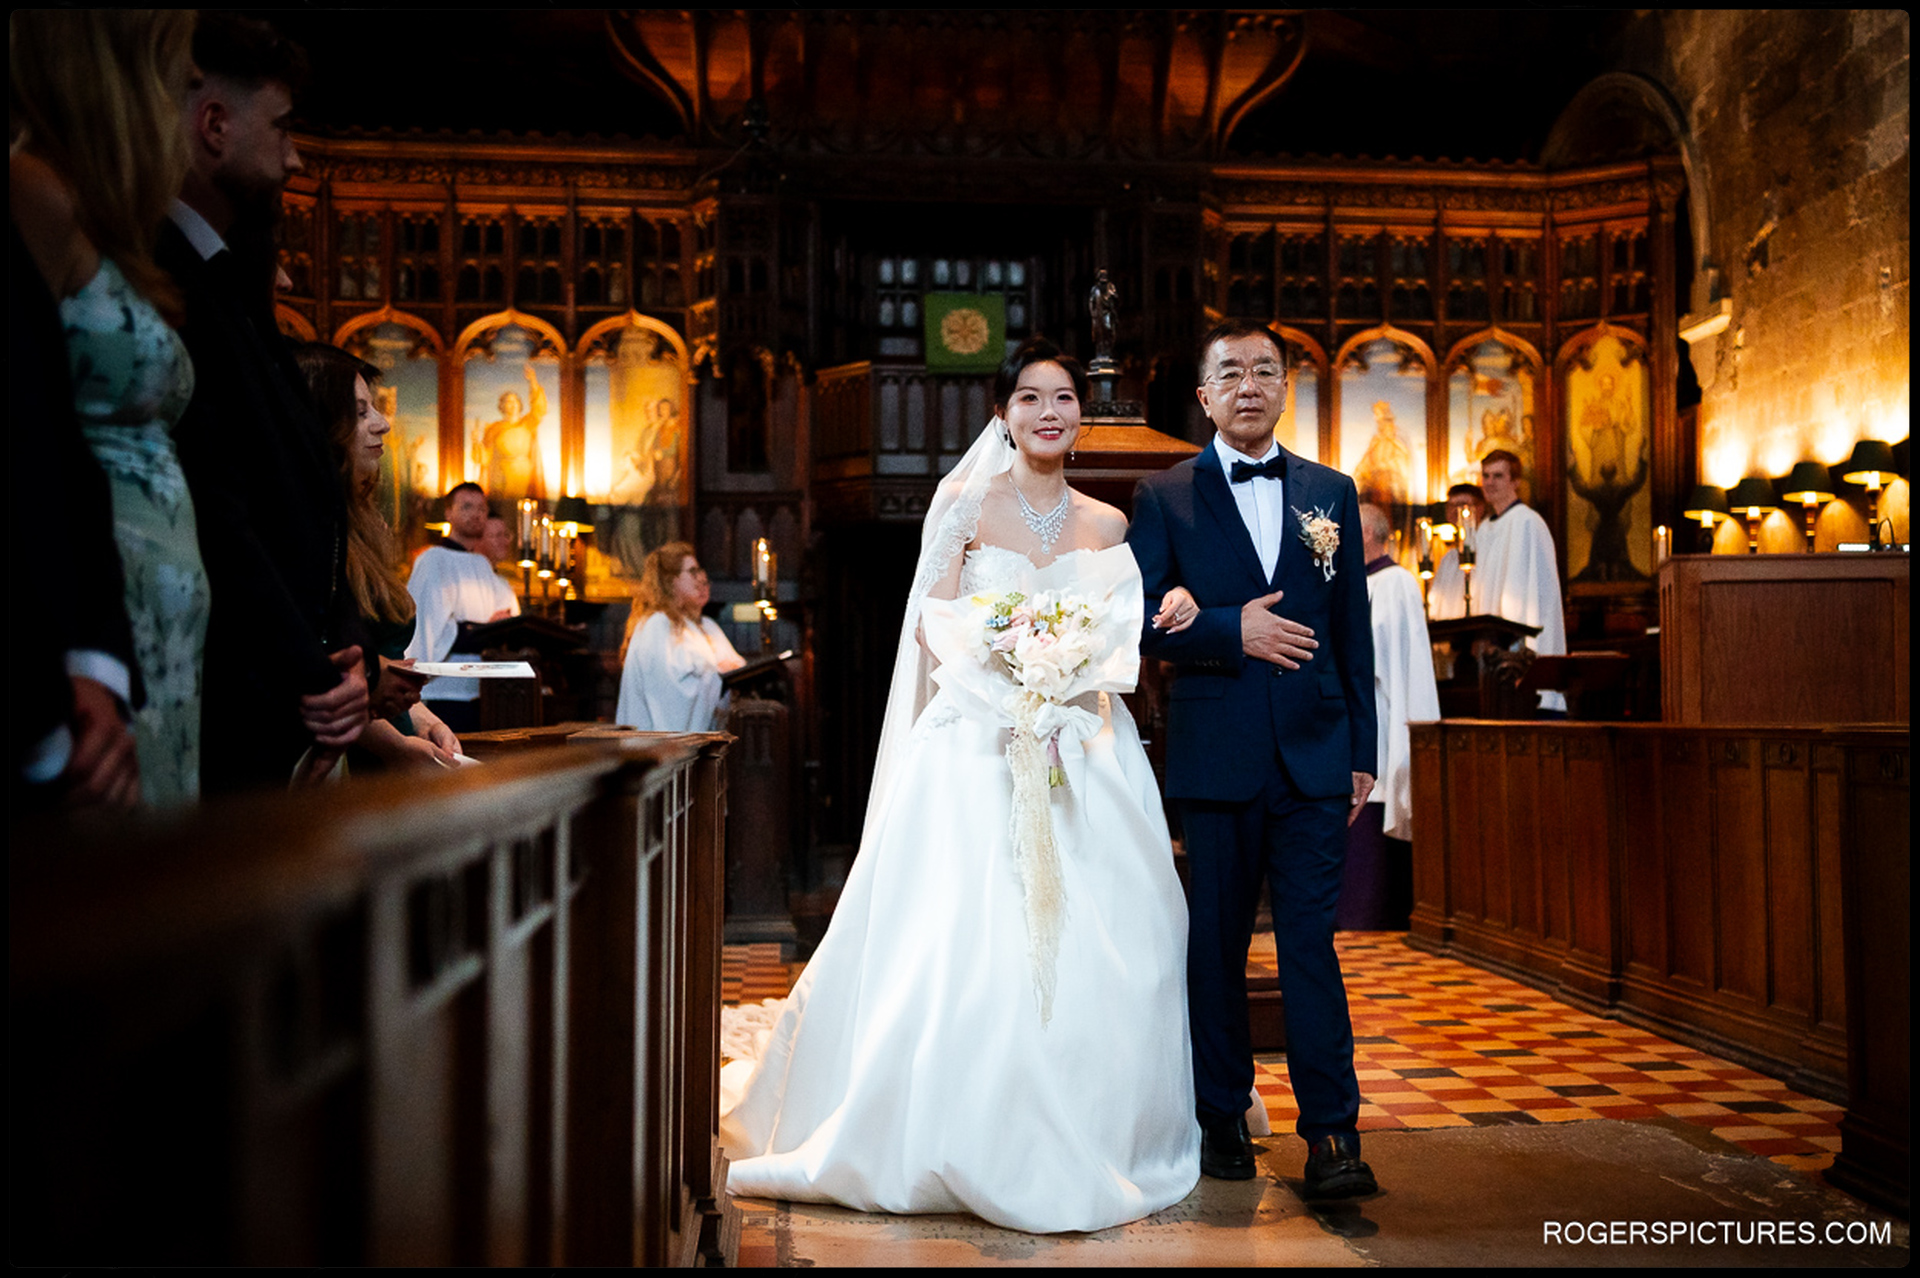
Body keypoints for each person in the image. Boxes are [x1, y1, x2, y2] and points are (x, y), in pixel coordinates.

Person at [721, 339, 1201, 1233]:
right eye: (1029, 398)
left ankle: (1102, 1121)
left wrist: (1107, 651)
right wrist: (990, 698)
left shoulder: (1110, 525)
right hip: (978, 742)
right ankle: (959, 1122)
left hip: (1084, 745)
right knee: (972, 938)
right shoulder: (965, 505)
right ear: (1003, 415)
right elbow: (932, 629)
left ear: (1079, 417)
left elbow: (1118, 639)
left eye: (1062, 398)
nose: (1048, 412)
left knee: (1115, 933)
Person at [1127, 319, 1380, 1200]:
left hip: (1316, 754)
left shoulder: (1330, 492)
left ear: (1284, 390)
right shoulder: (1163, 496)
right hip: (1217, 752)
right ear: (1203, 395)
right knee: (1217, 949)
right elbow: (1141, 622)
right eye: (1229, 372)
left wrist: (1363, 750)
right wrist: (1236, 630)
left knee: (1312, 946)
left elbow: (1352, 628)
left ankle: (1334, 1135)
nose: (1248, 384)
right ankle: (1220, 1115)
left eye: (1265, 371)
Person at [159, 12, 375, 793]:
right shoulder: (171, 280)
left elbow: (316, 500)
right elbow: (219, 509)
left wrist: (353, 653)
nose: (294, 155)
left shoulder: (232, 283)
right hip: (237, 706)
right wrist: (313, 673)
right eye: (281, 128)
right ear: (214, 124)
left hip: (297, 693)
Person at [12, 9, 207, 807]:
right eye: (176, 57)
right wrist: (69, 670)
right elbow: (28, 450)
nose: (192, 79)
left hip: (148, 646)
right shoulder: (30, 193)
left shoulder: (109, 223)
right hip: (84, 646)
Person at [293, 343, 457, 771]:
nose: (383, 425)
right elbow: (316, 663)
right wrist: (396, 748)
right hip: (344, 755)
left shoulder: (363, 522)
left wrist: (419, 719)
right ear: (320, 424)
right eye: (361, 412)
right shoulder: (305, 525)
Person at [1339, 504, 1441, 931]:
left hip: (1382, 715)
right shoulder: (1347, 583)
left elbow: (1404, 661)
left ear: (1367, 534)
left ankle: (1373, 917)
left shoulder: (1397, 582)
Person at [404, 482, 519, 733]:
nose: (476, 514)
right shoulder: (433, 559)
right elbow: (427, 627)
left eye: (481, 508)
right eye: (467, 506)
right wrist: (483, 630)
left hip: (482, 693)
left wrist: (493, 628)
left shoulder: (482, 564)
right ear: (449, 513)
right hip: (444, 693)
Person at [1472, 449, 1568, 713]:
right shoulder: (1484, 527)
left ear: (1515, 481)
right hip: (1493, 644)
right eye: (1486, 475)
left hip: (1517, 644)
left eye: (1498, 476)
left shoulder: (1528, 522)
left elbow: (1536, 590)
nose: (1490, 482)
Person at [614, 544, 745, 731]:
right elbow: (669, 695)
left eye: (700, 571)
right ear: (670, 580)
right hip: (655, 749)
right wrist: (717, 674)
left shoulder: (689, 624)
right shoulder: (657, 625)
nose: (700, 578)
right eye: (692, 572)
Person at [1426, 482, 1485, 620]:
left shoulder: (1486, 548)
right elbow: (1436, 599)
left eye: (1463, 504)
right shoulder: (1449, 558)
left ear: (1480, 508)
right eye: (1451, 505)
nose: (1455, 511)